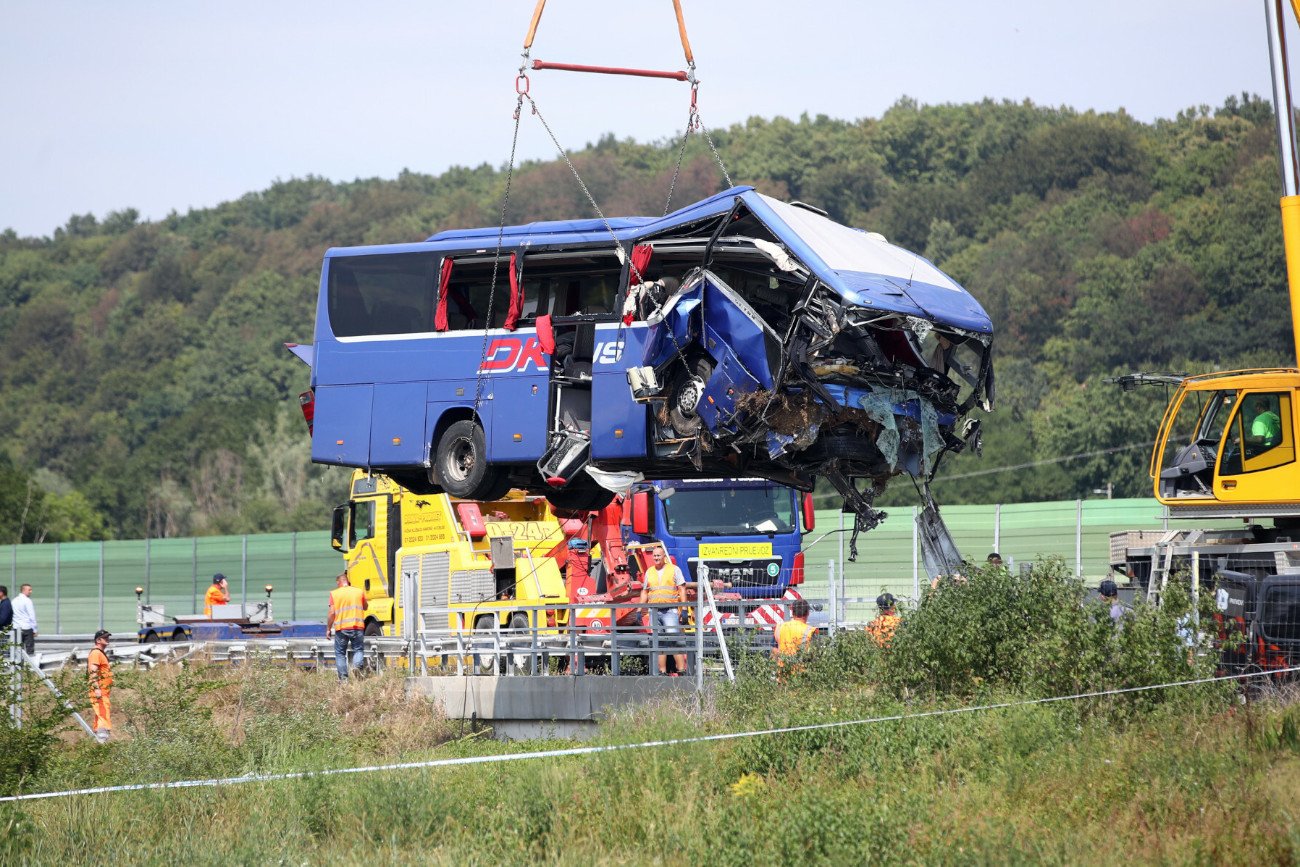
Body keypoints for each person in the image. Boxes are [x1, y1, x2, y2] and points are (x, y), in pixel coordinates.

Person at [639, 545, 688, 676]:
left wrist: (684, 609)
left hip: (670, 610)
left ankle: (682, 670)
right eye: (654, 556)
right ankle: (662, 672)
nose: (656, 558)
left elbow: (681, 589)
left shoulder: (674, 570)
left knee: (673, 640)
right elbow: (645, 592)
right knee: (659, 642)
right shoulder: (649, 572)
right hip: (654, 611)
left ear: (664, 557)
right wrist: (639, 610)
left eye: (658, 555)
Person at [327, 573, 368, 681]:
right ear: (347, 581)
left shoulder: (334, 594)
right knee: (358, 650)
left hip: (342, 628)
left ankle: (344, 680)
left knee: (340, 653)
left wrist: (328, 629)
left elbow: (331, 613)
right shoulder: (359, 591)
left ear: (338, 582)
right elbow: (365, 606)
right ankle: (356, 667)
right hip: (357, 627)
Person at [772, 598, 815, 675]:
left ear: (792, 612)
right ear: (808, 613)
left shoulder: (780, 627)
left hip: (783, 674)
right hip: (802, 676)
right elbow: (813, 655)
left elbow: (774, 651)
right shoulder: (810, 631)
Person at [87, 630, 113, 743]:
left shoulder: (100, 653)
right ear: (98, 640)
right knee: (103, 714)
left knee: (101, 715)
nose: (107, 639)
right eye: (104, 637)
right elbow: (93, 672)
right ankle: (102, 740)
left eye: (108, 637)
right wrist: (97, 689)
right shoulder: (96, 653)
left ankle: (99, 740)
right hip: (99, 691)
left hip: (103, 691)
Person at [12, 583, 37, 656]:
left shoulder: (14, 600)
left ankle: (18, 665)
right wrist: (35, 629)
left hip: (16, 627)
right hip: (27, 627)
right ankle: (30, 665)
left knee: (18, 649)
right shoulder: (27, 601)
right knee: (30, 650)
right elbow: (32, 616)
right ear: (23, 590)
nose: (31, 591)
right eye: (29, 590)